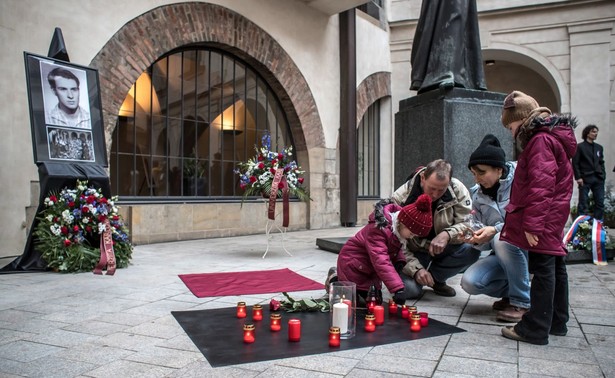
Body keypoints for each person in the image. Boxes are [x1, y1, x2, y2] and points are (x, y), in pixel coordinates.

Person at [498, 90, 577, 345]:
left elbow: (541, 186)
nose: (511, 132)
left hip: (543, 217)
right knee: (554, 265)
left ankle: (534, 327)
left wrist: (532, 223)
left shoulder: (540, 141)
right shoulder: (550, 138)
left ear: (521, 120)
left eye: (510, 126)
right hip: (553, 215)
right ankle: (556, 320)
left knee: (543, 269)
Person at [460, 134, 530, 322]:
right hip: (501, 254)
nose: (477, 178)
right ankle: (514, 293)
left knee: (502, 237)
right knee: (469, 282)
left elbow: (526, 219)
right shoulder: (477, 196)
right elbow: (487, 244)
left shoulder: (521, 180)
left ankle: (522, 302)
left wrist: (496, 230)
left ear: (499, 170)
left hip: (529, 249)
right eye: (474, 173)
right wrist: (476, 240)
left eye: (481, 172)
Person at [392, 159, 480, 298]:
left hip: (445, 247)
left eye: (441, 190)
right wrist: (416, 270)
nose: (435, 194)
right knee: (408, 291)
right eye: (432, 188)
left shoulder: (458, 190)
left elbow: (469, 224)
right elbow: (395, 241)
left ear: (449, 182)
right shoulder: (401, 197)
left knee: (473, 250)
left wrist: (447, 234)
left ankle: (436, 279)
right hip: (412, 252)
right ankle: (420, 277)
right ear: (423, 178)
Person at [329, 194, 433, 306]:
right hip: (353, 266)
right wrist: (397, 288)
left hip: (368, 269)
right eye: (412, 233)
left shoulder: (398, 232)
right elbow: (381, 260)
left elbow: (395, 249)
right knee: (354, 304)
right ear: (402, 222)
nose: (412, 237)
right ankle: (336, 279)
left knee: (375, 301)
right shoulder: (378, 229)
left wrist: (399, 262)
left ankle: (341, 280)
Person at [572, 124, 605, 220]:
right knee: (583, 203)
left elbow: (601, 162)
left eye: (596, 132)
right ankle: (582, 226)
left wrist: (603, 175)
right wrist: (578, 177)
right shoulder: (580, 147)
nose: (596, 134)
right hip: (585, 178)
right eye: (593, 131)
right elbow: (575, 163)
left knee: (600, 202)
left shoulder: (599, 147)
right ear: (587, 133)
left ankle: (599, 225)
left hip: (598, 178)